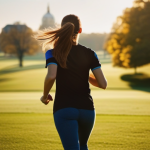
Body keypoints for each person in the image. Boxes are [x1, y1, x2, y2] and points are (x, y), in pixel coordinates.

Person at [35, 14, 107, 150]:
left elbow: (51, 76)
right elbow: (103, 84)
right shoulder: (90, 53)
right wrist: (83, 74)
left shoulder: (53, 53)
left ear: (62, 29)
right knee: (83, 146)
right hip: (87, 110)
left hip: (64, 109)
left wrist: (44, 96)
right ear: (80, 30)